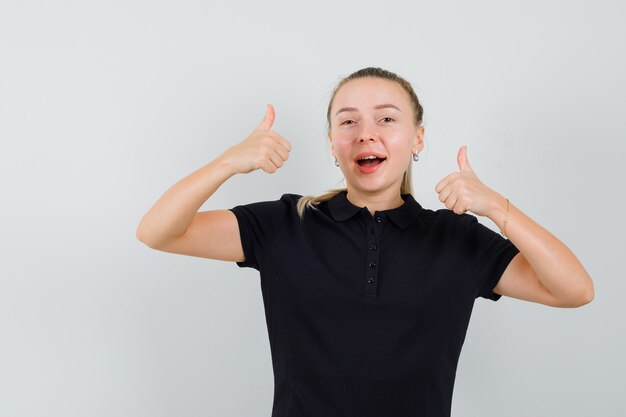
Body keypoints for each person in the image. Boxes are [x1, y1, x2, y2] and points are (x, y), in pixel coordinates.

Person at [136, 67, 594, 417]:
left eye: (386, 119)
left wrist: (498, 208)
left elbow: (574, 290)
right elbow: (157, 231)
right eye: (348, 121)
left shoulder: (456, 238)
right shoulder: (284, 224)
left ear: (417, 138)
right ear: (333, 143)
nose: (365, 133)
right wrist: (228, 162)